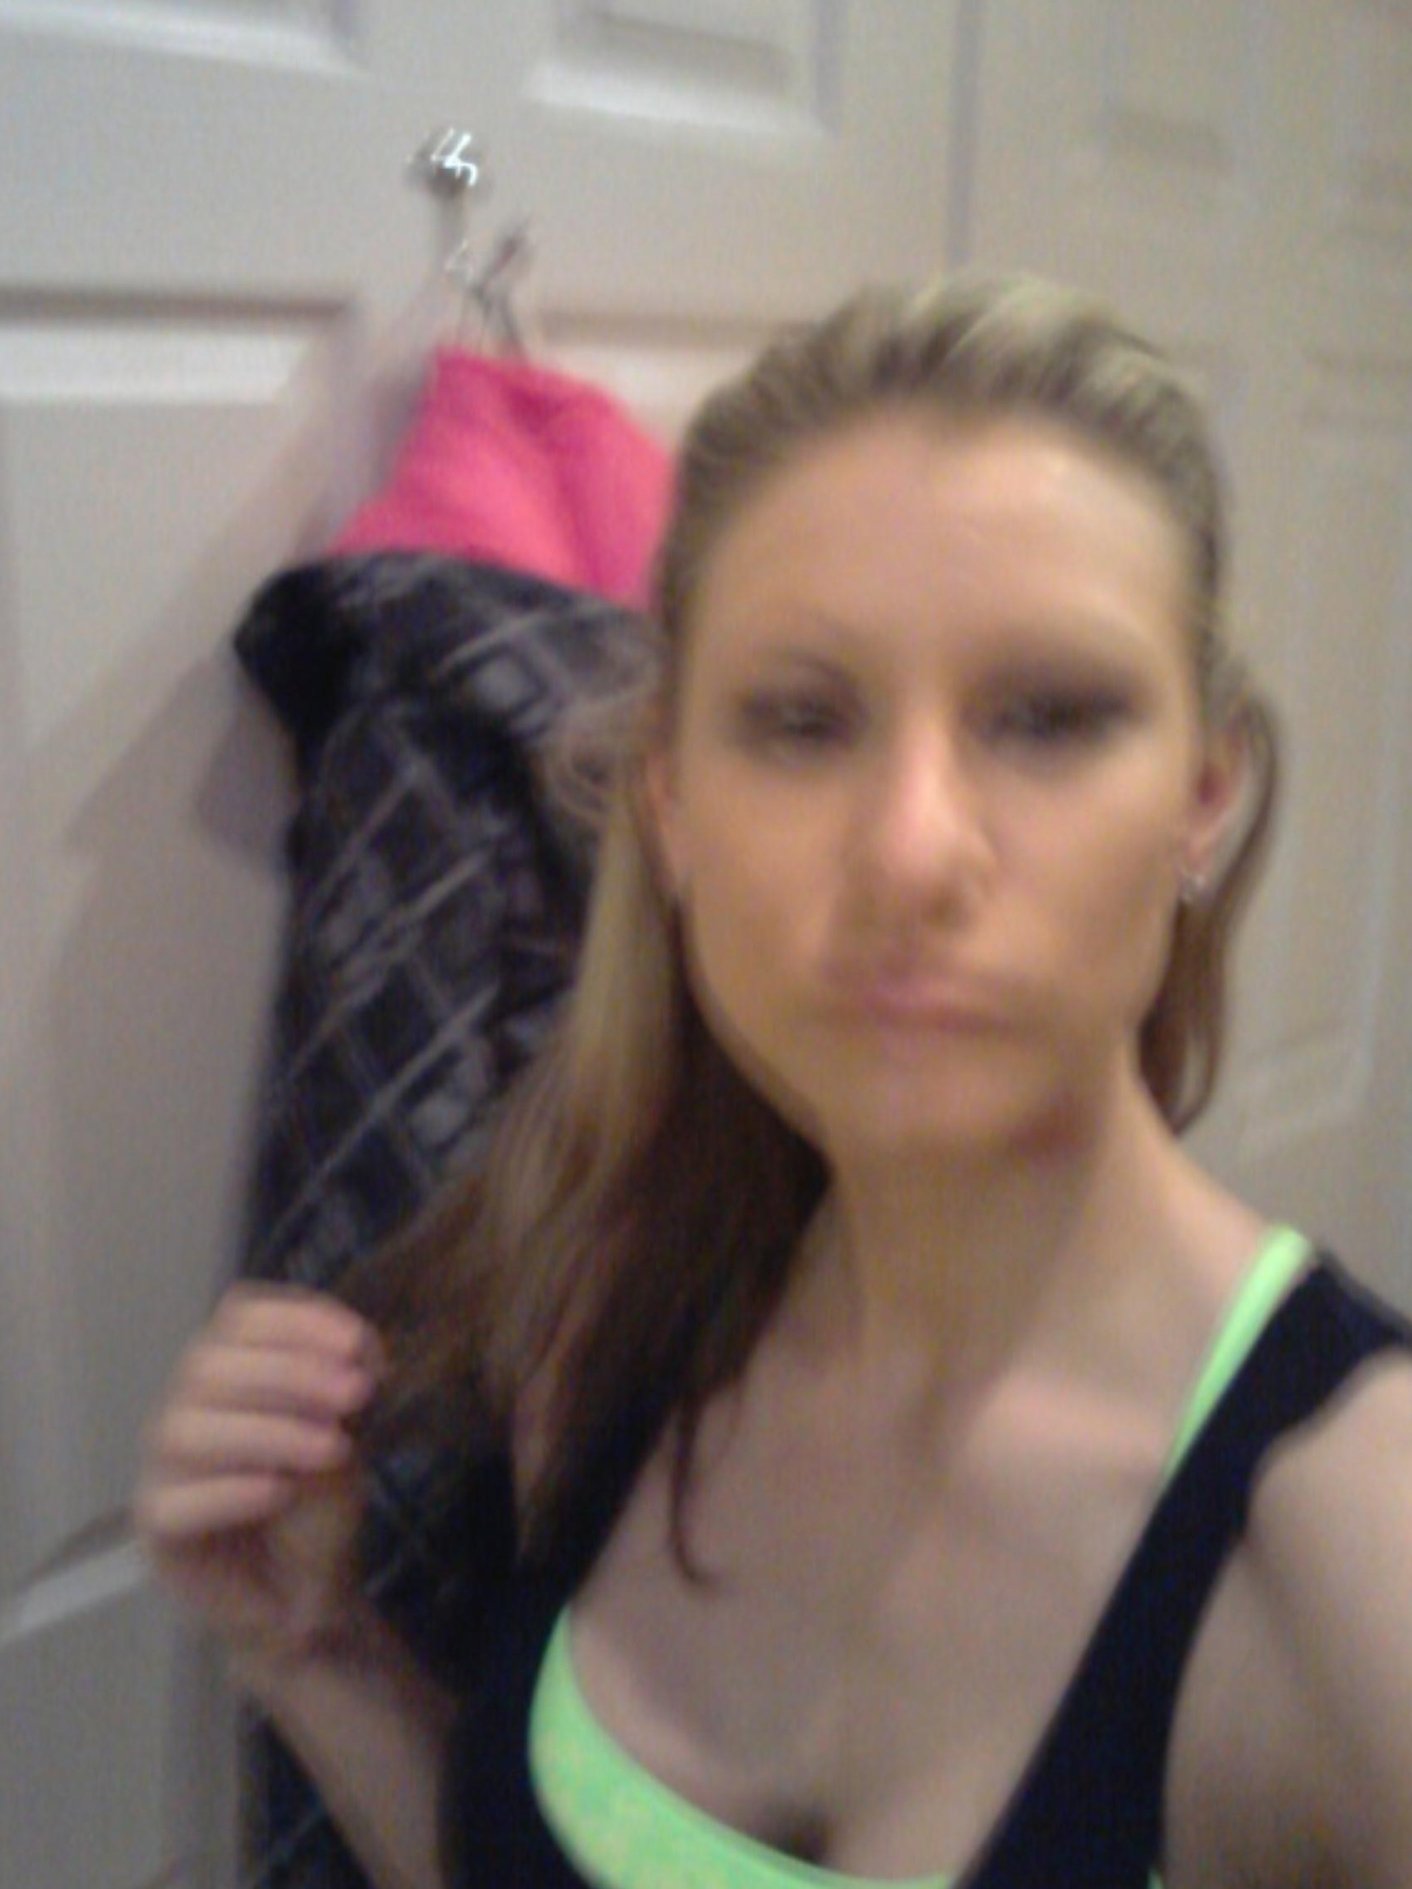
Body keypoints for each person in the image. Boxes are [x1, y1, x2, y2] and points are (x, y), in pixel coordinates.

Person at [136, 275, 1412, 1889]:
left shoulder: (1356, 1570)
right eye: (802, 722)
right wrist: (316, 1651)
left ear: (1203, 797)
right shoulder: (613, 1323)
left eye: (1049, 718)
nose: (912, 852)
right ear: (670, 804)